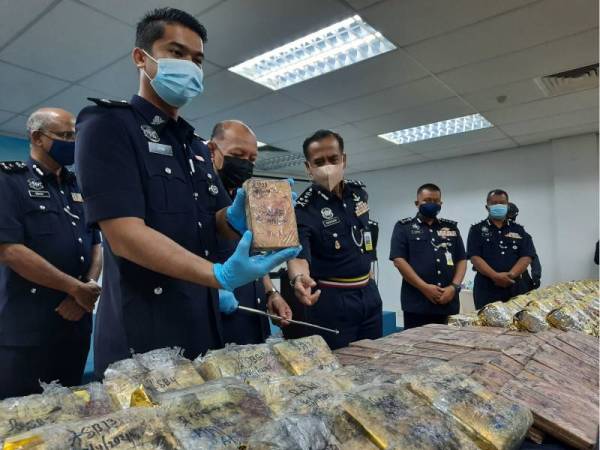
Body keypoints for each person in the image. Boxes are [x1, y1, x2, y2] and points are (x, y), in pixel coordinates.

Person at [75, 8, 299, 377]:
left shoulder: (194, 147)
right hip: (146, 336)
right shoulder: (108, 126)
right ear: (141, 58)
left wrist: (232, 218)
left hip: (205, 325)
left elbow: (209, 227)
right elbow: (125, 236)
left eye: (197, 60)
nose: (190, 67)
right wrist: (219, 275)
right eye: (176, 53)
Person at [0, 108, 102, 399]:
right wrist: (74, 288)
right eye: (65, 136)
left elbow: (96, 242)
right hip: (28, 331)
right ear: (37, 137)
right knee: (22, 420)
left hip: (76, 324)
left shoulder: (77, 186)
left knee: (71, 408)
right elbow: (9, 250)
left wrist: (87, 288)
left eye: (75, 136)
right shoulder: (10, 181)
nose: (73, 143)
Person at [287, 129, 382, 350]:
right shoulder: (303, 210)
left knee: (376, 359)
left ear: (344, 160)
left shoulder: (359, 194)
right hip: (333, 300)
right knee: (339, 367)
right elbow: (298, 255)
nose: (327, 166)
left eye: (333, 159)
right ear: (308, 168)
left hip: (369, 292)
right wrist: (299, 278)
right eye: (319, 162)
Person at [208, 120, 293, 344]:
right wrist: (206, 291)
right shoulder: (197, 196)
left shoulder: (245, 197)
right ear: (212, 151)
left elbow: (252, 255)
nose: (245, 164)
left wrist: (270, 292)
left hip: (253, 311)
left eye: (252, 159)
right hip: (216, 316)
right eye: (238, 154)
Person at [390, 183, 467, 329]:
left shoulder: (451, 228)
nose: (431, 204)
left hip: (448, 301)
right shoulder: (404, 227)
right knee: (416, 347)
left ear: (441, 204)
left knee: (449, 346)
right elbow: (399, 261)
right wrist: (424, 287)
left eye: (435, 201)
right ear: (417, 203)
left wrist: (453, 288)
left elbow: (461, 260)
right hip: (417, 302)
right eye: (427, 200)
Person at [467, 190, 535, 309]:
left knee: (518, 323)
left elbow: (527, 256)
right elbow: (474, 257)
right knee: (486, 325)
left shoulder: (519, 230)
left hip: (516, 285)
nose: (498, 205)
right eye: (494, 203)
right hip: (486, 287)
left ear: (507, 206)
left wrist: (511, 275)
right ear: (487, 206)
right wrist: (495, 276)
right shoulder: (476, 230)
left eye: (502, 203)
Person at [507, 202, 541, 292]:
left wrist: (536, 276)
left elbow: (533, 256)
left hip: (520, 279)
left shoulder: (523, 235)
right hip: (501, 280)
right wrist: (536, 276)